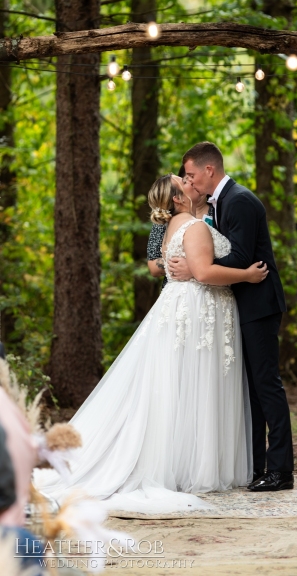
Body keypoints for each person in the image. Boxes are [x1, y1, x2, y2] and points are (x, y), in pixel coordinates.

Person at [34, 174, 268, 514]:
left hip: (183, 306)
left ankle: (182, 461)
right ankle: (194, 465)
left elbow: (185, 267)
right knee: (197, 385)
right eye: (183, 182)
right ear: (177, 197)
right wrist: (246, 275)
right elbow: (203, 273)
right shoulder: (195, 226)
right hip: (198, 307)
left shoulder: (174, 225)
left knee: (180, 386)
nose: (190, 182)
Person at [168, 142, 294, 492]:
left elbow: (239, 257)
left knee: (266, 386)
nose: (189, 181)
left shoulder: (239, 200)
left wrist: (196, 270)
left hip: (259, 304)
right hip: (241, 304)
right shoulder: (219, 202)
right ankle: (255, 466)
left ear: (210, 170)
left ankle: (281, 470)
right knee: (250, 390)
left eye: (192, 174)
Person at [147, 165, 213, 287]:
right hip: (181, 290)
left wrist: (195, 267)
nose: (194, 183)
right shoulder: (166, 217)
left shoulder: (218, 209)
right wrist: (184, 266)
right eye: (187, 180)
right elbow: (152, 266)